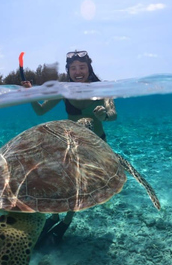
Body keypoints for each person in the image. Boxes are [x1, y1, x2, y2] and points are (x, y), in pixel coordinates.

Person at [21, 50, 117, 246]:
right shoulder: (63, 90)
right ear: (68, 71)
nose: (78, 71)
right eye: (73, 68)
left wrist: (104, 116)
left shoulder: (102, 88)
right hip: (70, 144)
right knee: (63, 182)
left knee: (79, 185)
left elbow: (113, 113)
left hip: (96, 143)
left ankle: (65, 222)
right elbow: (40, 111)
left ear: (89, 68)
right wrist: (30, 93)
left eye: (82, 67)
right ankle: (54, 218)